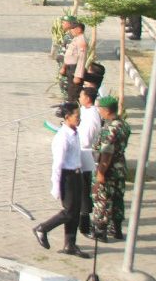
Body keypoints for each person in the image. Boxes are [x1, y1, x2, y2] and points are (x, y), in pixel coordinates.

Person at [32, 101, 88, 257]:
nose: (79, 119)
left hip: (77, 175)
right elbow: (57, 164)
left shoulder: (75, 133)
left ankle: (70, 244)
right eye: (77, 116)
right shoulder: (62, 138)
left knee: (75, 212)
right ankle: (42, 228)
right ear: (67, 117)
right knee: (69, 212)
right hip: (67, 177)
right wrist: (55, 186)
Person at [92, 95, 131, 241]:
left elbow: (106, 154)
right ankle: (117, 229)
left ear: (106, 110)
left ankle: (100, 230)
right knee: (117, 199)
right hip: (120, 168)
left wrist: (101, 173)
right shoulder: (123, 125)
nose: (99, 111)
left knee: (103, 198)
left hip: (108, 170)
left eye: (100, 109)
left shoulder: (109, 129)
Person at [76, 87, 101, 238]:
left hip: (85, 154)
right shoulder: (85, 111)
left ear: (88, 98)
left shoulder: (92, 116)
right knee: (80, 189)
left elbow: (86, 139)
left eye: (81, 95)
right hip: (80, 152)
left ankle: (84, 224)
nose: (79, 97)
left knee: (84, 190)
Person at [60, 20, 87, 102]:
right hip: (69, 68)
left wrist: (77, 75)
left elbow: (82, 60)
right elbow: (68, 56)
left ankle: (73, 108)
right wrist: (64, 67)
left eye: (72, 29)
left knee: (74, 92)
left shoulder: (81, 41)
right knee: (69, 90)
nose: (71, 31)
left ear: (79, 29)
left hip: (74, 69)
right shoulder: (76, 39)